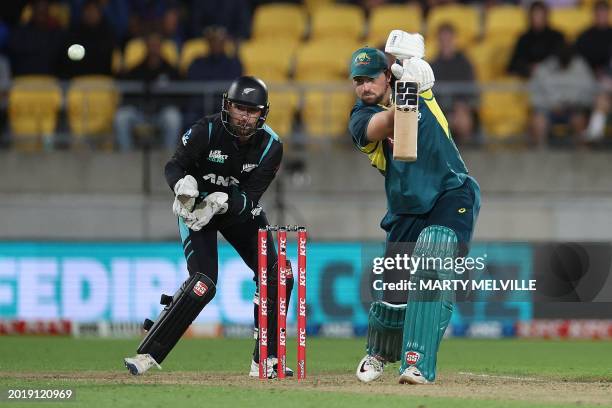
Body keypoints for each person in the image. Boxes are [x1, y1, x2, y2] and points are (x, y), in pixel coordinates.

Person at [124, 76, 292, 379]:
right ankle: (148, 354)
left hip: (237, 212)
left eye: (251, 111)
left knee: (279, 273)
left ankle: (266, 360)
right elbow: (174, 165)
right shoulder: (206, 130)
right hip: (196, 210)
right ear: (227, 106)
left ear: (262, 113)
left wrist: (223, 200)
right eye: (239, 108)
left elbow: (251, 198)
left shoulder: (271, 146)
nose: (244, 116)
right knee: (203, 283)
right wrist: (181, 186)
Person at [348, 32, 480, 384]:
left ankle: (417, 361)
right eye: (357, 81)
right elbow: (384, 124)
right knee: (393, 296)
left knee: (433, 255)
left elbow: (431, 109)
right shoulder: (360, 118)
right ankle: (379, 353)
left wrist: (420, 85)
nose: (364, 87)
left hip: (451, 193)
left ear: (387, 75)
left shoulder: (425, 95)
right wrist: (407, 93)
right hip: (406, 206)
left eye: (371, 78)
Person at [114, 32, 182, 150]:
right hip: (140, 112)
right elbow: (127, 97)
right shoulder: (136, 70)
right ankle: (126, 155)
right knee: (121, 117)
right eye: (151, 45)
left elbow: (178, 97)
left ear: (161, 47)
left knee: (173, 118)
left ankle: (168, 155)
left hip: (161, 113)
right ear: (146, 47)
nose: (154, 48)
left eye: (156, 45)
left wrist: (162, 105)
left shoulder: (171, 70)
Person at [430, 23, 479, 145]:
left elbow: (471, 89)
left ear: (454, 40)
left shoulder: (465, 63)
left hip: (462, 108)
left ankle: (464, 156)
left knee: (463, 120)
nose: (446, 42)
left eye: (448, 39)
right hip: (440, 108)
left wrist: (461, 105)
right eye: (443, 39)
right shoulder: (433, 65)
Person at [507, 1, 564, 78]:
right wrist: (530, 68)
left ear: (546, 16)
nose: (538, 18)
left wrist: (544, 67)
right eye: (535, 15)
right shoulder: (523, 39)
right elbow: (513, 64)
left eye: (541, 15)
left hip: (553, 78)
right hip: (528, 78)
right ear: (530, 17)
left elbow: (563, 60)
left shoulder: (557, 36)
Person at [575, 0, 612, 79]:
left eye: (604, 12)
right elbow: (578, 59)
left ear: (608, 13)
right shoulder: (584, 36)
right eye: (599, 12)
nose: (601, 15)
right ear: (594, 14)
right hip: (588, 74)